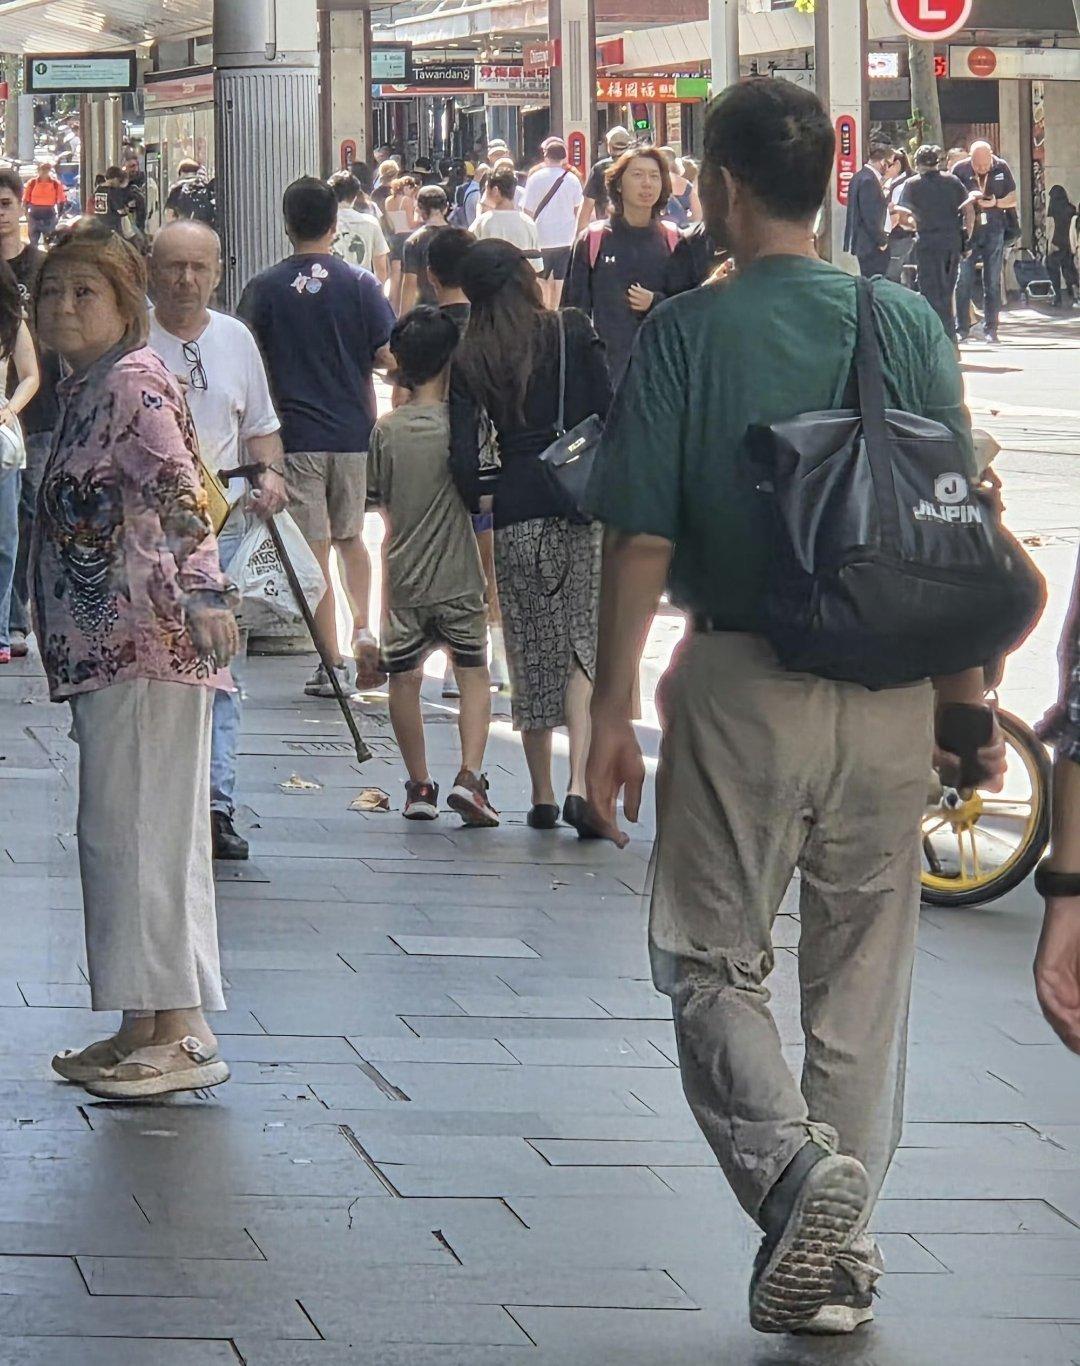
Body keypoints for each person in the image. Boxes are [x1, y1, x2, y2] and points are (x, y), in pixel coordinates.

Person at [585, 78, 1006, 1337]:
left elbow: (641, 539)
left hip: (742, 686)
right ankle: (842, 1255)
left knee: (710, 957)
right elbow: (948, 521)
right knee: (862, 975)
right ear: (828, 182)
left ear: (720, 188)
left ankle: (786, 1171)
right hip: (889, 692)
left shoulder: (688, 333)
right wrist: (966, 706)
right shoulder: (902, 318)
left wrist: (610, 711)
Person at [33, 223, 237, 1099]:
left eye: (85, 292)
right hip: (109, 652)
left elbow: (180, 491)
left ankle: (183, 1030)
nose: (63, 307)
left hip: (147, 645)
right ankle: (143, 1022)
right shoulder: (88, 387)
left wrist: (205, 592)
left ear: (125, 304)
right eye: (52, 291)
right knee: (122, 835)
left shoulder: (132, 382)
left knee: (144, 836)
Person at [450, 239, 611, 830]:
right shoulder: (569, 329)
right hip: (576, 500)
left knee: (529, 647)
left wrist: (482, 496)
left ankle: (541, 794)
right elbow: (607, 409)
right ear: (522, 278)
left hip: (515, 507)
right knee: (581, 645)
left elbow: (463, 456)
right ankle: (579, 785)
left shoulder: (471, 354)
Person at [148, 220, 288, 861]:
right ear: (152, 272)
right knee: (154, 671)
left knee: (219, 668)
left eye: (198, 268)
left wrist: (271, 475)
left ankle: (216, 804)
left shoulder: (236, 340)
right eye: (173, 267)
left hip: (221, 531)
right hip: (145, 537)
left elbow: (261, 429)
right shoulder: (131, 339)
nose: (185, 280)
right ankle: (161, 800)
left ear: (218, 273)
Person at [238, 177, 395, 697]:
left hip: (296, 435)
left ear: (287, 224)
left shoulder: (264, 288)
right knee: (351, 538)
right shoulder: (361, 284)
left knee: (314, 549)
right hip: (354, 432)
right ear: (335, 225)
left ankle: (332, 665)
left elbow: (245, 357)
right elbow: (386, 354)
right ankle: (363, 627)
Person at [369, 306, 499, 827]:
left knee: (404, 680)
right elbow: (485, 500)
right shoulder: (465, 427)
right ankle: (470, 776)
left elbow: (378, 501)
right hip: (459, 574)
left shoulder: (387, 430)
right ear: (451, 361)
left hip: (403, 577)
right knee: (472, 674)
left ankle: (419, 785)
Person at [425, 228, 511, 698]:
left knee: (448, 565)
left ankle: (455, 658)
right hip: (490, 460)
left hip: (437, 466)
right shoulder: (494, 327)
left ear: (431, 275)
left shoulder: (425, 330)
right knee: (488, 562)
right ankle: (495, 656)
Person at [563, 147, 678, 384]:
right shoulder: (593, 240)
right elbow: (573, 314)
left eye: (654, 176)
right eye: (637, 175)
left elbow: (689, 307)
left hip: (664, 375)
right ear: (618, 184)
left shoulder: (674, 240)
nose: (647, 183)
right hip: (606, 375)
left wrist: (656, 302)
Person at [0, 262, 41, 666]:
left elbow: (30, 375)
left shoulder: (10, 323)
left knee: (6, 537)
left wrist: (10, 408)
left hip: (1, 439)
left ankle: (1, 627)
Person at [896, 144, 972, 340]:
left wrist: (914, 225)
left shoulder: (912, 184)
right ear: (938, 163)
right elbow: (968, 210)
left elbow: (903, 216)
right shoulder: (953, 181)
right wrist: (967, 236)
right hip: (952, 242)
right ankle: (949, 336)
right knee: (947, 291)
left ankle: (934, 336)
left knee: (929, 292)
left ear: (918, 164)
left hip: (927, 242)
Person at [952, 140, 1018, 344]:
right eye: (977, 164)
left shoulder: (1001, 167)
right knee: (963, 279)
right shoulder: (959, 169)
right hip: (967, 232)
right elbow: (950, 199)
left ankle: (991, 328)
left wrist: (996, 202)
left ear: (991, 156)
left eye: (985, 164)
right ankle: (962, 328)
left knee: (992, 280)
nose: (981, 168)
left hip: (994, 229)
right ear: (970, 158)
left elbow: (1013, 198)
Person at [522, 138, 584, 308]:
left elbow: (527, 211)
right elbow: (578, 209)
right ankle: (556, 310)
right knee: (560, 280)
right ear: (564, 157)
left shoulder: (535, 178)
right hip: (566, 238)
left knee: (541, 279)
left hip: (541, 237)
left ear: (546, 156)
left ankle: (545, 310)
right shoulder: (572, 179)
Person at [474, 168, 543, 272]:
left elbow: (471, 256)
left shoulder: (482, 222)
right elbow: (537, 266)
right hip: (521, 279)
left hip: (490, 279)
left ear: (495, 190)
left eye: (486, 188)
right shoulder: (528, 223)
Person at [329, 170, 390, 284]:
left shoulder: (324, 222)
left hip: (332, 286)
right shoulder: (371, 223)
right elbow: (381, 268)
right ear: (355, 196)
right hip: (362, 286)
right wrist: (377, 291)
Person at [843, 143, 892, 277]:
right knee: (876, 279)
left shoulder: (858, 177)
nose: (889, 168)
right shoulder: (869, 180)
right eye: (889, 164)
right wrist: (881, 241)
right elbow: (870, 216)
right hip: (871, 244)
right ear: (883, 162)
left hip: (863, 243)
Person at [401, 186, 451, 314]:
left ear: (419, 208)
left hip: (426, 311)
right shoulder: (462, 237)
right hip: (457, 310)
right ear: (446, 208)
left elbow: (410, 285)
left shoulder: (414, 241)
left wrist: (403, 319)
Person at [578, 125, 632, 231]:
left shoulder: (600, 168)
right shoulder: (637, 165)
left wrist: (579, 235)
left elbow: (587, 206)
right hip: (635, 228)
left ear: (609, 146)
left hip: (607, 229)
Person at [383, 171, 420, 313]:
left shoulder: (388, 201)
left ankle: (391, 305)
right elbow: (411, 223)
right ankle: (401, 308)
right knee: (405, 273)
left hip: (394, 237)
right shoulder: (406, 201)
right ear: (407, 187)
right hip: (406, 236)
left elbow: (389, 222)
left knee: (394, 273)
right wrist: (421, 221)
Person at [883, 148, 915, 284]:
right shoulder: (890, 182)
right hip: (899, 236)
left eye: (887, 165)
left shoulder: (902, 186)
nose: (884, 169)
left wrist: (883, 234)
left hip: (900, 236)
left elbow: (896, 214)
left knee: (893, 275)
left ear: (897, 165)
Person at [1046, 184, 1079, 307]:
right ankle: (1075, 295)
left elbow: (1051, 227)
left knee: (1053, 270)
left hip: (1056, 243)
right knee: (1069, 269)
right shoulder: (1071, 208)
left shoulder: (1053, 208)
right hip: (1069, 243)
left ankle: (1057, 297)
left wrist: (1049, 245)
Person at [93, 166, 142, 243]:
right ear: (115, 179)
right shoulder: (113, 192)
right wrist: (127, 209)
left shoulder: (98, 190)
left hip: (101, 228)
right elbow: (121, 212)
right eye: (119, 181)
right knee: (137, 240)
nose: (119, 184)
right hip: (114, 230)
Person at [22, 160, 65, 247]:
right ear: (38, 170)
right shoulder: (32, 183)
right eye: (42, 169)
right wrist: (26, 215)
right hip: (34, 217)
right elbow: (25, 200)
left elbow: (61, 201)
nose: (44, 171)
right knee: (33, 244)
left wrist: (59, 216)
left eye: (47, 169)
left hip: (49, 217)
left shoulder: (56, 184)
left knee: (50, 243)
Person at [165, 159, 216, 227]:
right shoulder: (205, 187)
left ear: (180, 172)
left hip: (184, 228)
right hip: (204, 228)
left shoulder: (177, 189)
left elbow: (170, 215)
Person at [660, 147, 701, 228]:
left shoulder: (655, 185)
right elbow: (697, 216)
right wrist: (684, 218)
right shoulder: (688, 186)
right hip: (682, 229)